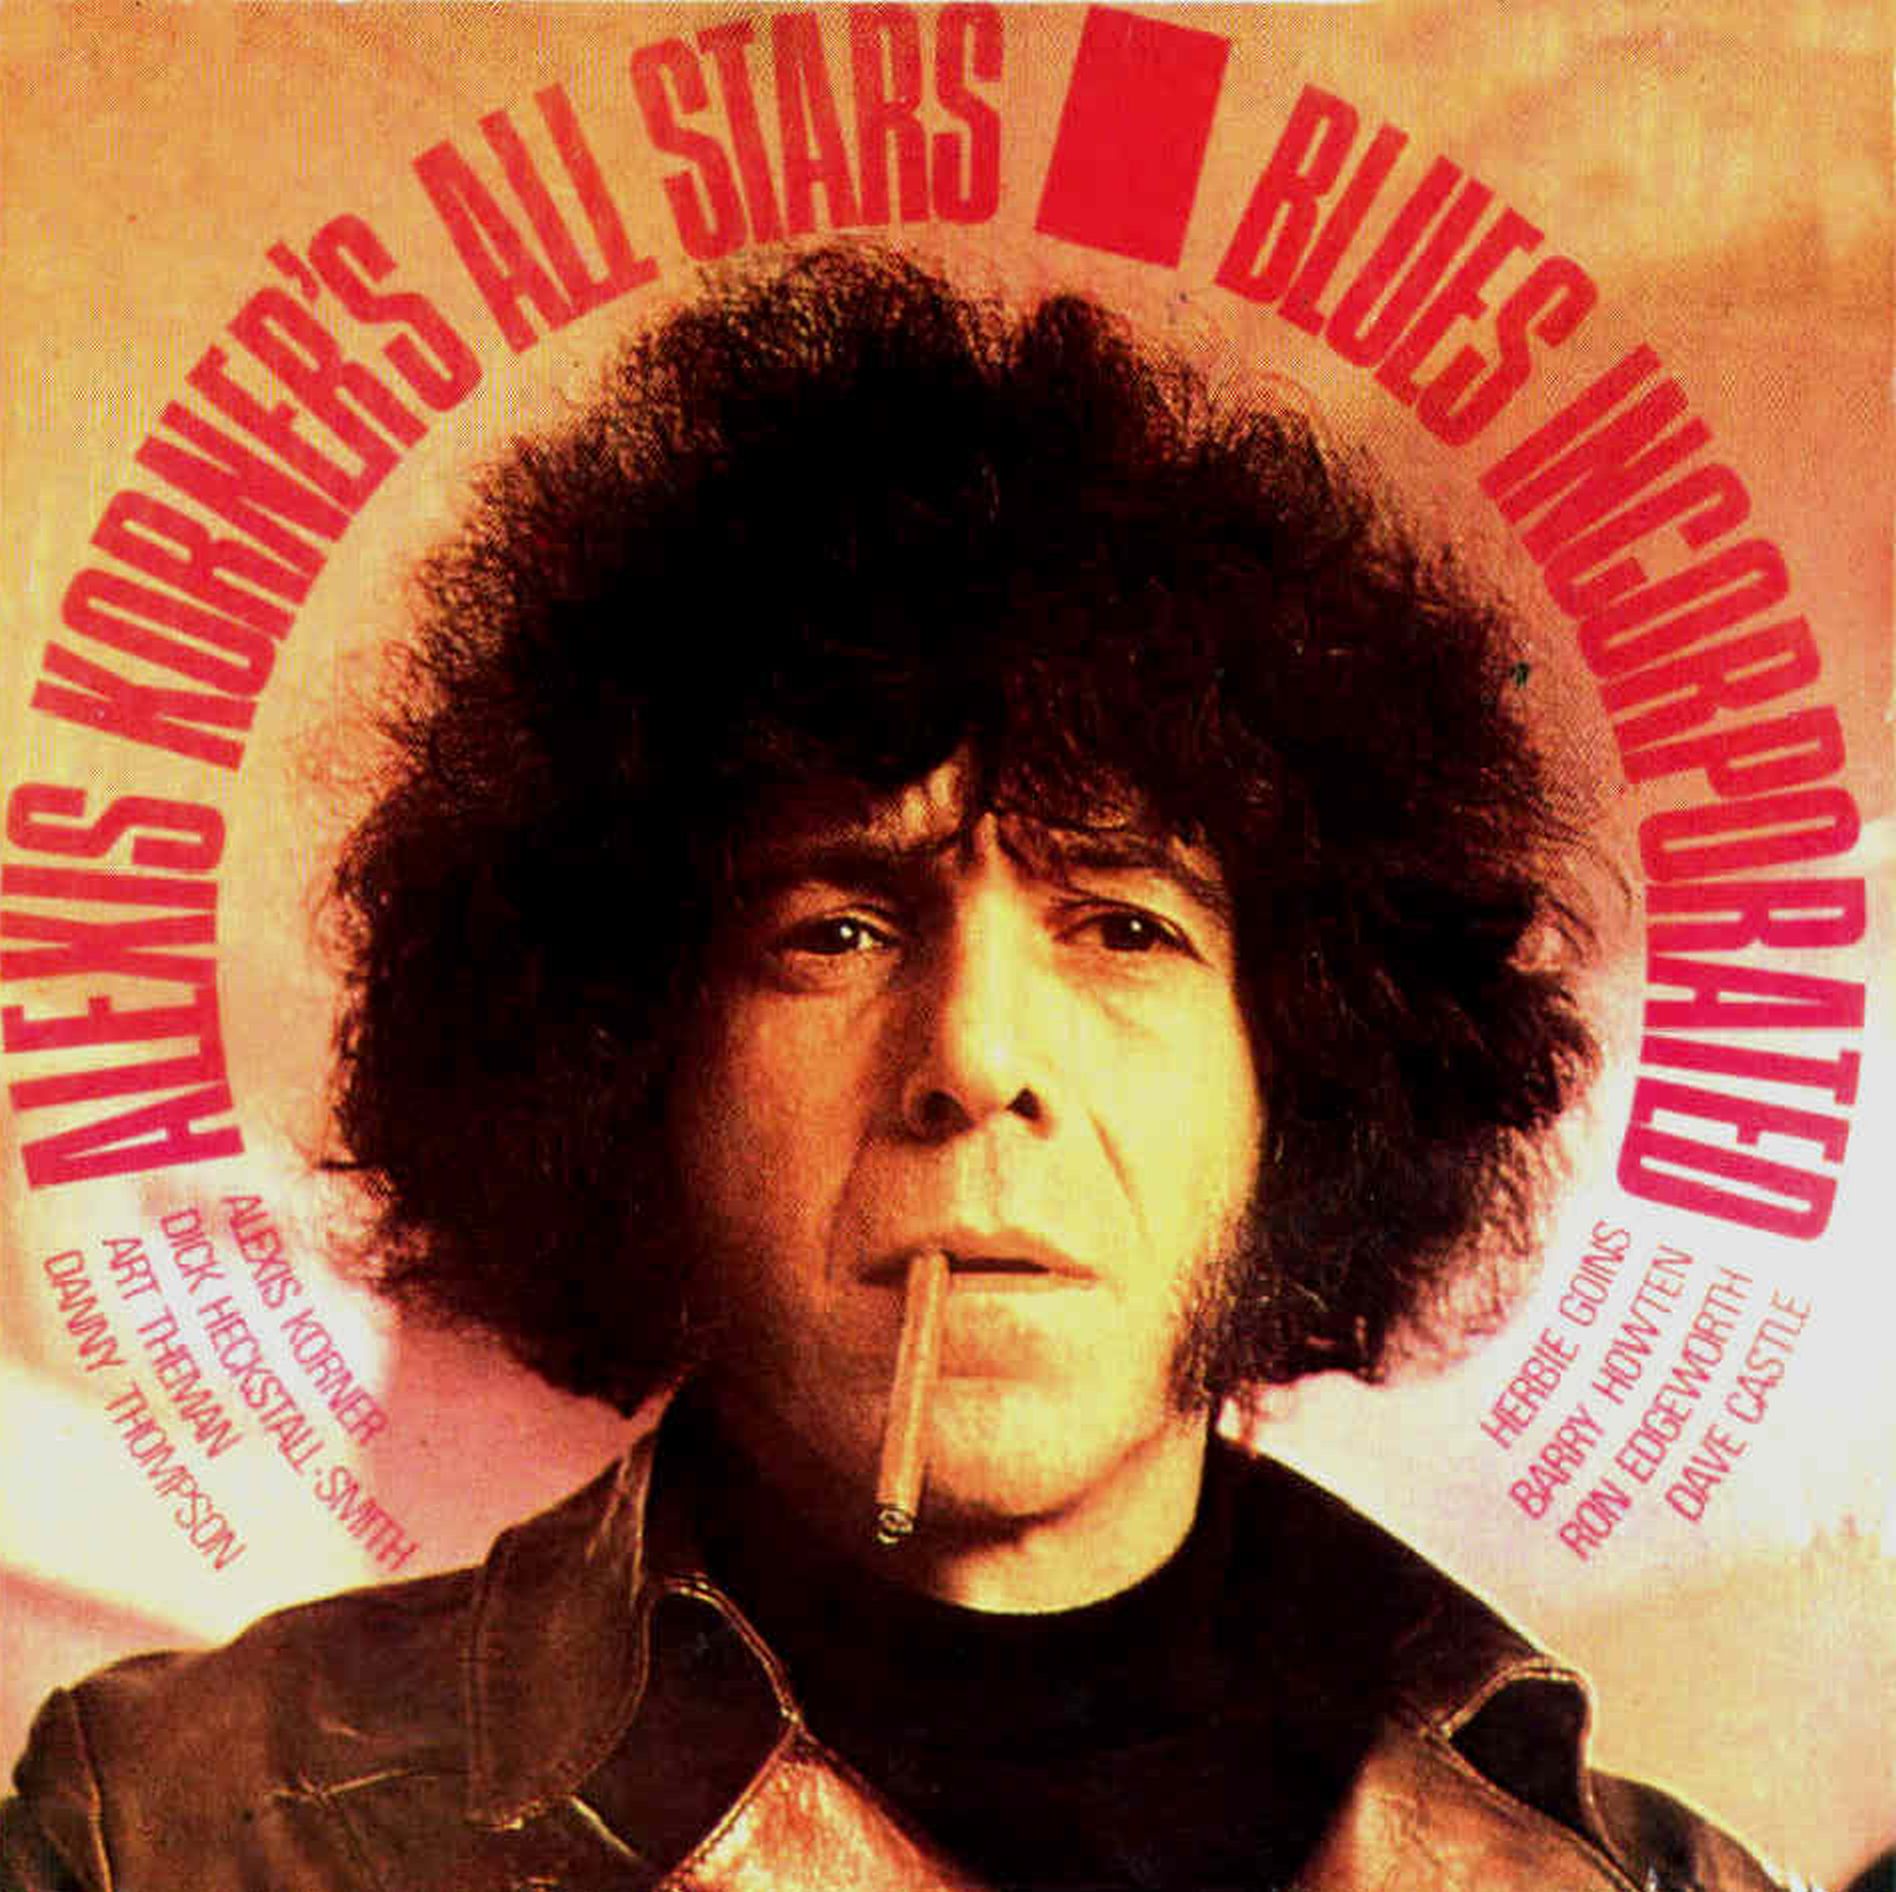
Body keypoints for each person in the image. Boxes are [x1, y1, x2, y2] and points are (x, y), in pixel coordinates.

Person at [2, 246, 1789, 1891]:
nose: (976, 1057)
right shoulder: (175, 1834)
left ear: (1303, 1086)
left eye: (1124, 927)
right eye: (838, 931)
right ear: (636, 1070)